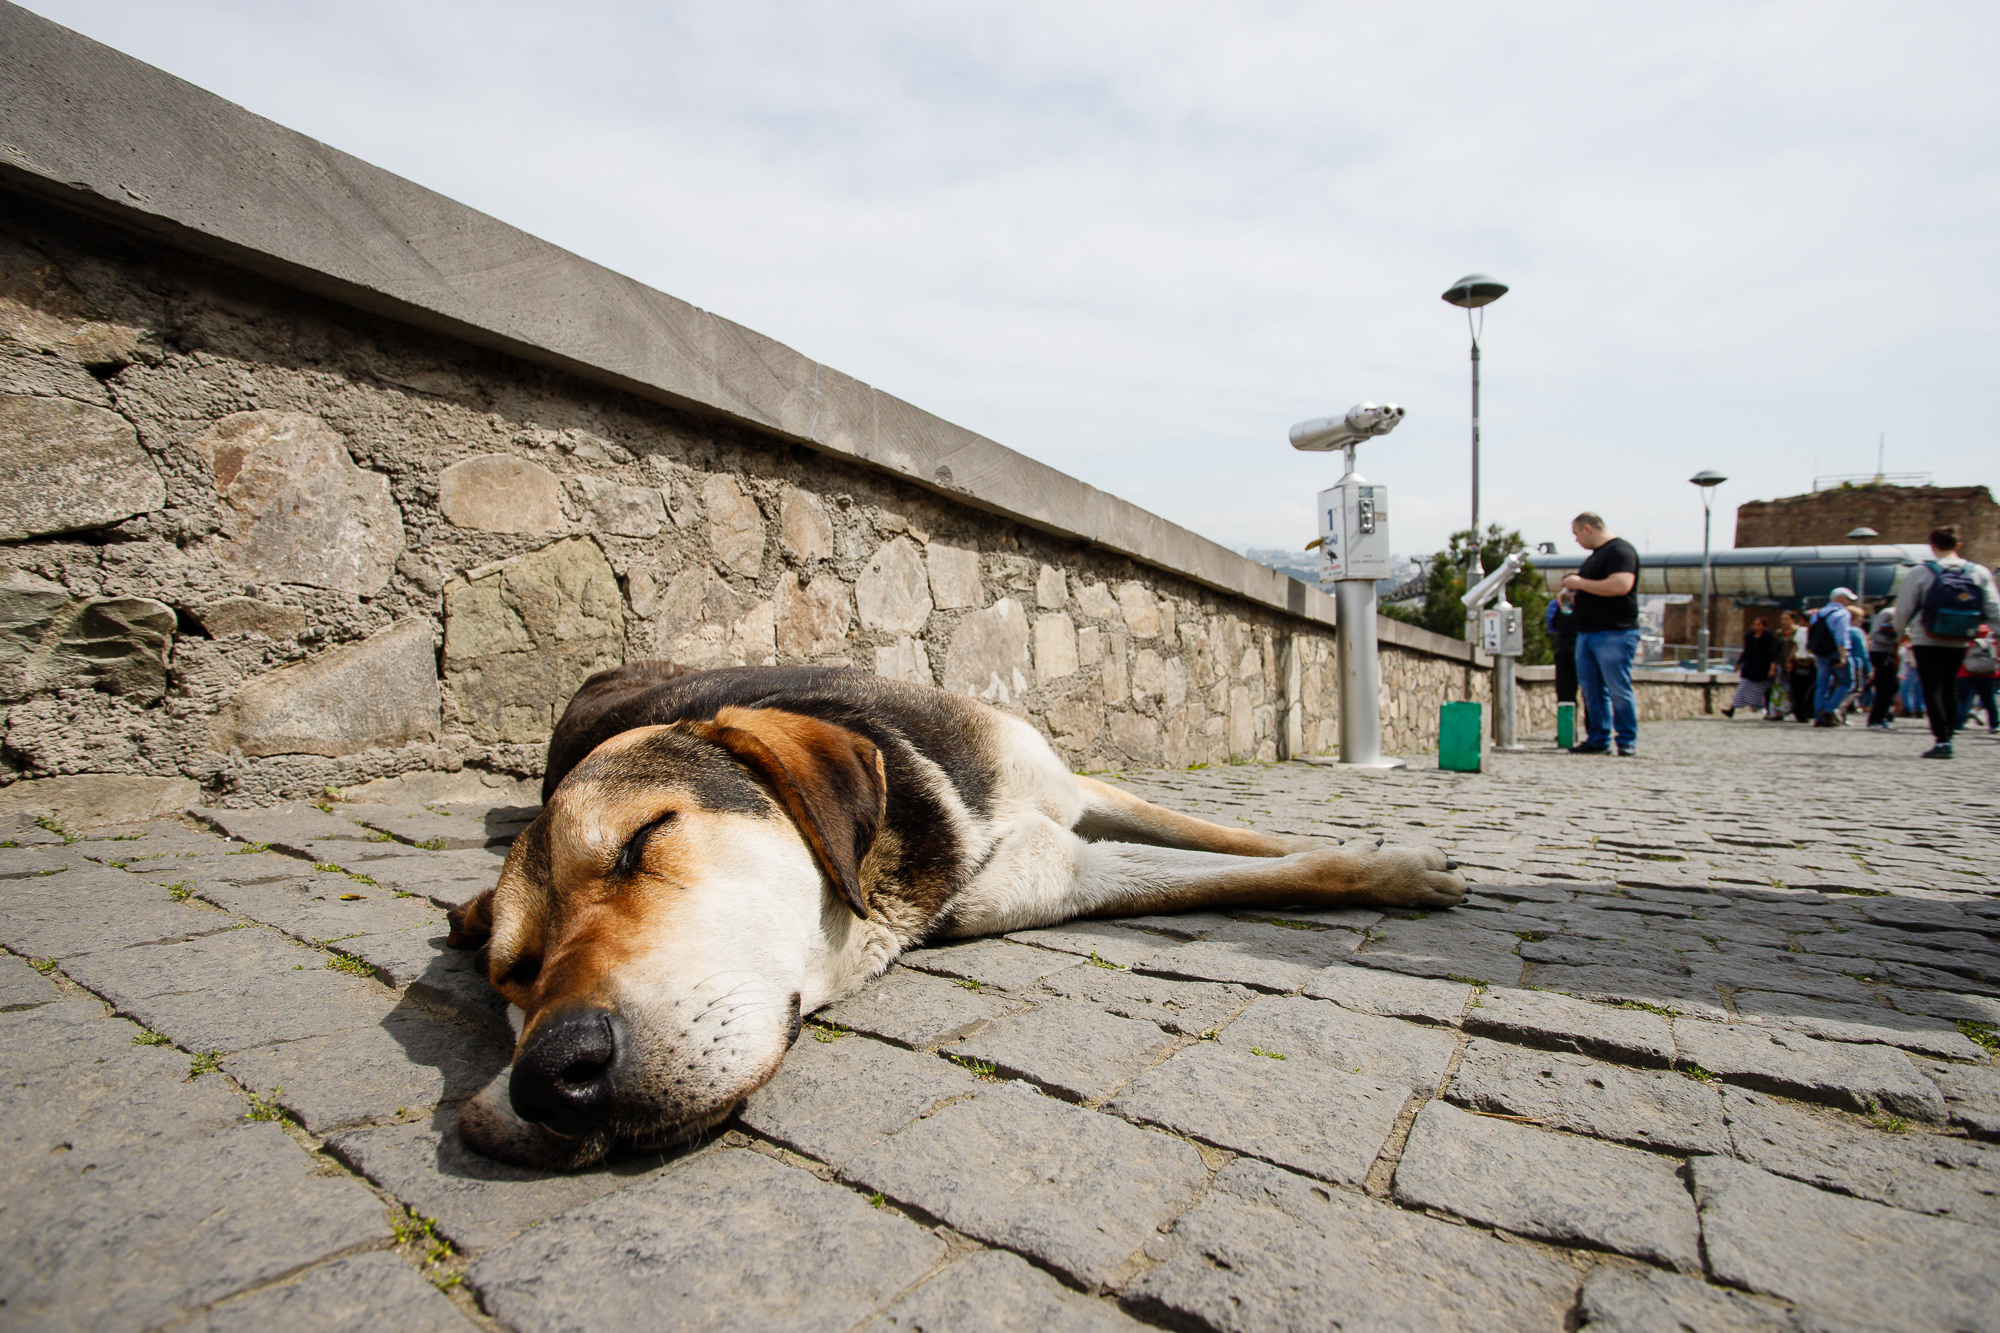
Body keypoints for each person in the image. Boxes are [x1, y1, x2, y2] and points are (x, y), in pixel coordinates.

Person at [1892, 525, 2000, 759]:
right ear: (1958, 545)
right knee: (1950, 685)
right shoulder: (1978, 571)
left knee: (1932, 687)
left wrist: (1901, 631)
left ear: (1932, 546)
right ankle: (1949, 734)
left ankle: (1941, 739)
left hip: (1927, 636)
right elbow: (1993, 607)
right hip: (1960, 636)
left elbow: (1904, 607)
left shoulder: (1921, 572)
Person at [1561, 512, 1642, 756]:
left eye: (1576, 534)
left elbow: (1621, 585)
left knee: (1617, 688)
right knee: (1591, 689)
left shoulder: (1620, 551)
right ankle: (1598, 737)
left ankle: (1626, 739)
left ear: (1588, 528)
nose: (1577, 541)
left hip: (1614, 632)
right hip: (1588, 632)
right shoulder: (1595, 557)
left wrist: (1581, 584)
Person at [1806, 588, 1859, 727]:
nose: (1848, 601)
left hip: (1820, 653)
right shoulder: (1842, 613)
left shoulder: (1818, 614)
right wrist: (1843, 655)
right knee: (1847, 683)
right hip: (1835, 652)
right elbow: (1841, 637)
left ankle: (1818, 715)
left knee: (1822, 684)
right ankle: (1828, 710)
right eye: (1847, 598)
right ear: (1840, 598)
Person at [1727, 617, 1776, 718]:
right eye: (1755, 624)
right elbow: (1746, 651)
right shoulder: (1749, 636)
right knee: (1742, 687)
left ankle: (1769, 711)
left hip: (1763, 668)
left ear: (1764, 626)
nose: (1756, 627)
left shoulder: (1769, 637)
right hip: (1750, 667)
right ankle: (1732, 709)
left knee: (1765, 691)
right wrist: (1739, 663)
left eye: (1758, 624)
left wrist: (1772, 668)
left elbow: (1772, 654)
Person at [1865, 599, 1900, 730]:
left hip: (1889, 652)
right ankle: (1877, 719)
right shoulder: (1889, 613)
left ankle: (1881, 717)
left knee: (1888, 686)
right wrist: (1895, 639)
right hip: (1881, 652)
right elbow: (1874, 634)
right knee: (1888, 685)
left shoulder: (1901, 614)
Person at [1958, 623, 1998, 733]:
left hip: (1965, 672)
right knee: (1989, 700)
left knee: (1963, 700)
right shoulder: (1993, 641)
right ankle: (1994, 724)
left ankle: (1957, 725)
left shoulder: (1966, 637)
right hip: (1987, 674)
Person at [1546, 590, 1578, 705]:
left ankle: (1593, 723)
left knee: (1591, 692)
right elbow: (1552, 626)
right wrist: (1561, 604)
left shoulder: (1586, 605)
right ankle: (1567, 722)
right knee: (1565, 694)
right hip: (1564, 651)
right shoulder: (1556, 605)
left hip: (1583, 651)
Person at [1786, 610, 1817, 722]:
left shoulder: (1817, 631)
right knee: (1797, 689)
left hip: (1812, 662)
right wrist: (1789, 660)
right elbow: (1795, 647)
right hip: (1799, 661)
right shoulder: (1801, 631)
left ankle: (1807, 711)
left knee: (1810, 689)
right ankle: (1799, 712)